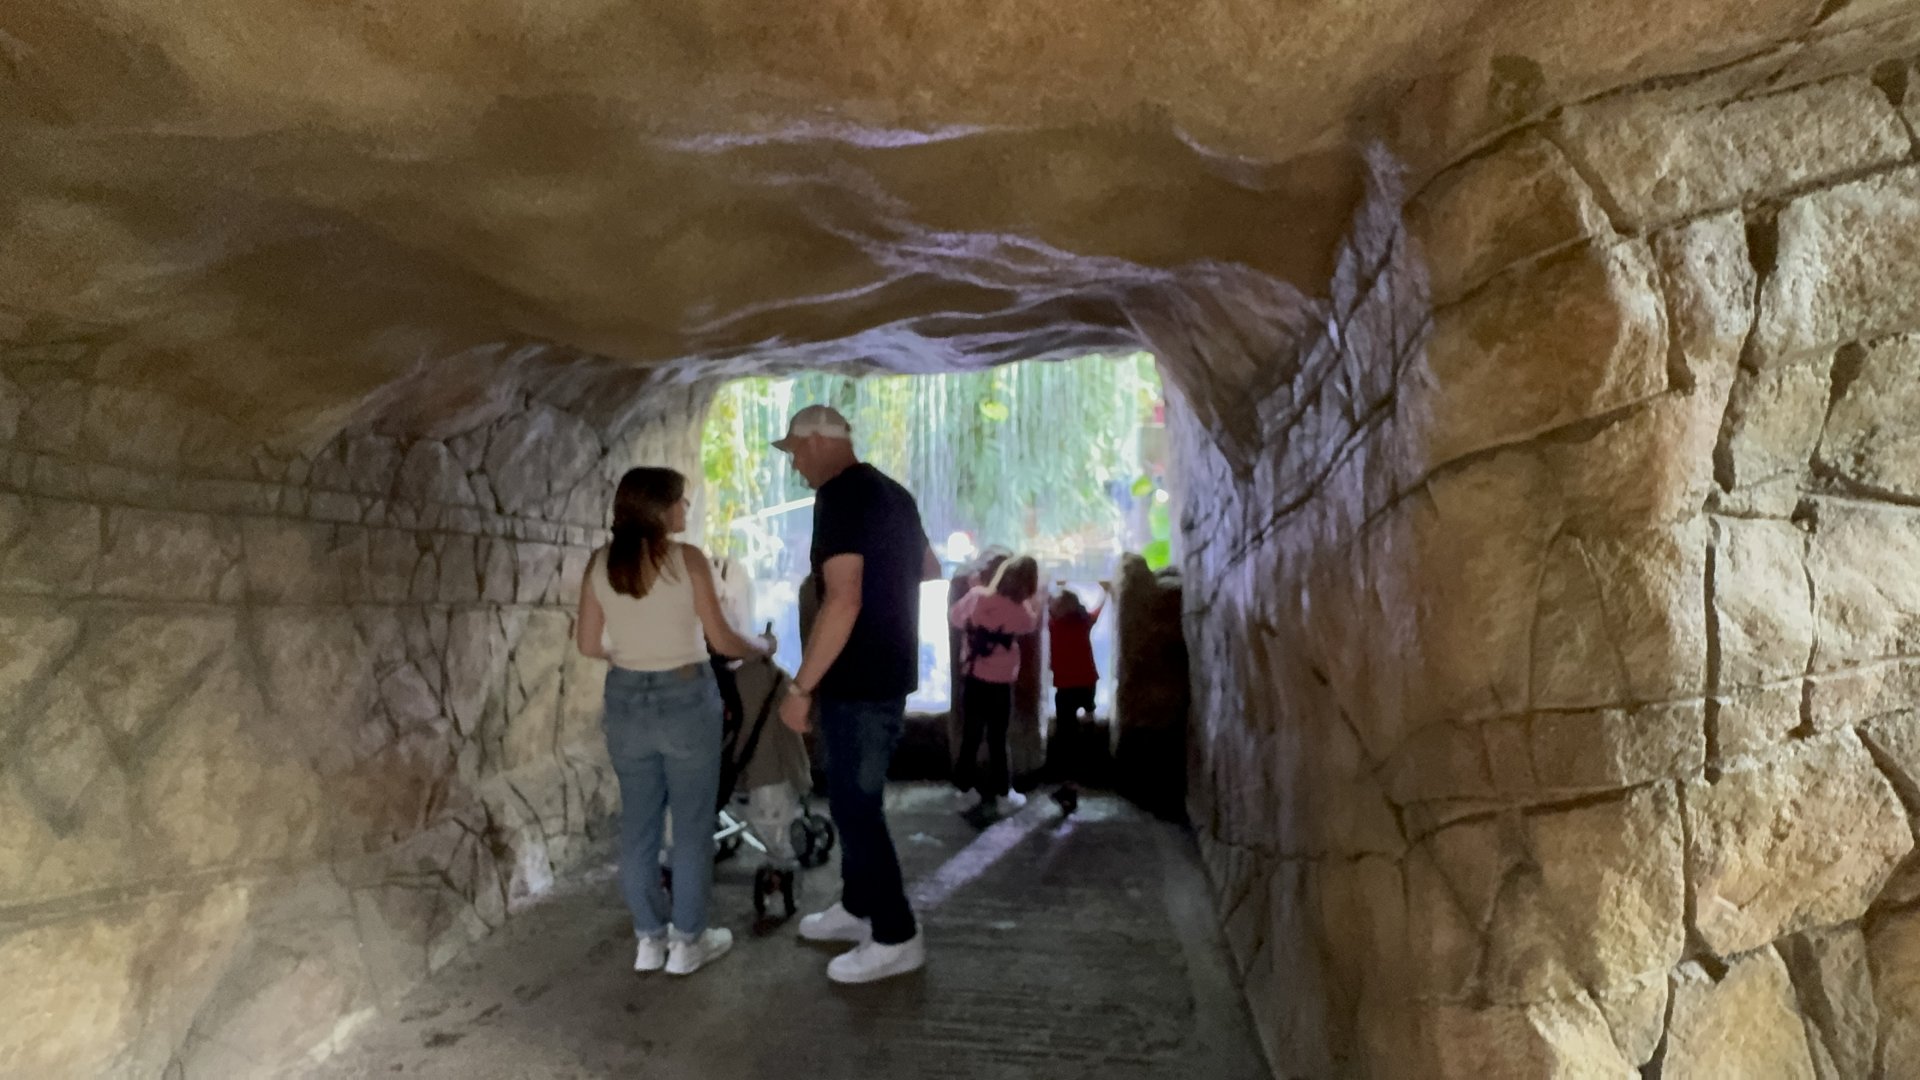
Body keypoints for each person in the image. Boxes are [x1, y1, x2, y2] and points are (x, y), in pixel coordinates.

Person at [574, 467, 775, 977]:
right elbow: (724, 640)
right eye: (681, 501)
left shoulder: (601, 563)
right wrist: (764, 645)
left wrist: (632, 654)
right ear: (659, 508)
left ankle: (649, 939)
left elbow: (588, 644)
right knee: (690, 827)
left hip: (626, 699)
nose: (686, 508)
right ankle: (688, 942)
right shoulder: (687, 560)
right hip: (685, 697)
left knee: (638, 827)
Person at [773, 405, 941, 985]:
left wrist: (800, 688)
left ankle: (896, 935)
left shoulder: (840, 496)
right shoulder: (895, 494)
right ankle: (857, 905)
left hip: (858, 678)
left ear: (821, 442)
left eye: (797, 451)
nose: (796, 465)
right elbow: (929, 567)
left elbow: (843, 599)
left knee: (857, 808)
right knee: (850, 802)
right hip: (889, 671)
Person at [948, 556, 1043, 815]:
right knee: (998, 739)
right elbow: (1030, 624)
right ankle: (1003, 794)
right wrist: (1035, 600)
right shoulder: (1020, 610)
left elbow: (956, 618)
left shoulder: (977, 597)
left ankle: (964, 792)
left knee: (971, 736)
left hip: (973, 677)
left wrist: (975, 590)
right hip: (1001, 684)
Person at [1047, 582, 1108, 811]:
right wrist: (1105, 591)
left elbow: (1045, 607)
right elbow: (1098, 609)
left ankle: (1069, 787)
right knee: (1085, 728)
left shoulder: (1054, 624)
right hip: (1088, 683)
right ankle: (1089, 772)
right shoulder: (1084, 622)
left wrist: (1048, 587)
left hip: (1066, 687)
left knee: (1066, 737)